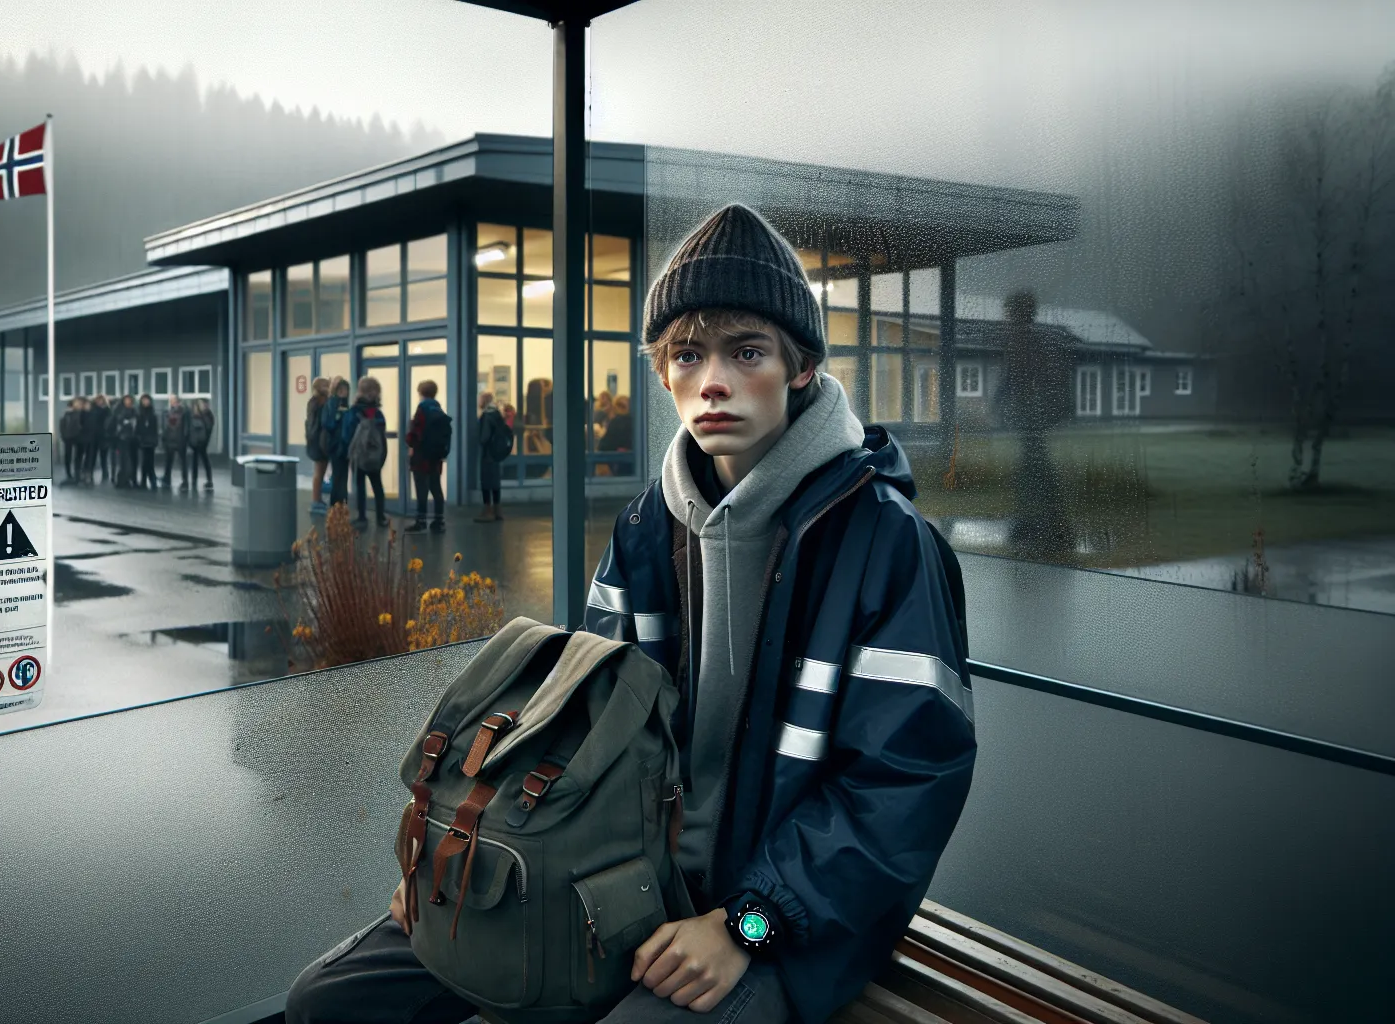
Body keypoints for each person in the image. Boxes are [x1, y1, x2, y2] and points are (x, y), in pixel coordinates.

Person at [286, 205, 976, 1024]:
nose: (712, 380)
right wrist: (454, 862)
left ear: (800, 369)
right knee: (328, 1003)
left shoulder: (887, 544)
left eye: (745, 352)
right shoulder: (649, 526)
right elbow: (578, 725)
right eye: (688, 355)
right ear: (663, 374)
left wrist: (747, 924)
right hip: (614, 881)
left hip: (773, 923)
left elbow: (901, 787)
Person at [339, 375, 388, 529]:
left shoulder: (353, 412)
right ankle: (380, 517)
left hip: (358, 457)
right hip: (375, 457)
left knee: (360, 485)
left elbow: (346, 434)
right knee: (377, 485)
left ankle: (362, 518)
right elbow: (382, 433)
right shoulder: (378, 413)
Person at [402, 380, 449, 534]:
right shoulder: (439, 409)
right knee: (436, 488)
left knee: (421, 489)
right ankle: (439, 521)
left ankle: (421, 521)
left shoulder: (422, 409)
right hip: (436, 456)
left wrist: (409, 442)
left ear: (421, 393)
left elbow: (416, 432)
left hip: (421, 456)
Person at [472, 390, 509, 523]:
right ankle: (498, 510)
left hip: (488, 454)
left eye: (480, 400)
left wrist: (480, 441)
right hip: (497, 453)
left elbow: (484, 437)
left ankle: (487, 511)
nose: (478, 403)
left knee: (486, 481)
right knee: (495, 482)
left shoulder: (487, 416)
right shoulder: (497, 414)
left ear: (484, 401)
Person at [303, 376, 331, 514]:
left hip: (314, 442)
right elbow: (323, 423)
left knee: (319, 473)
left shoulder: (312, 402)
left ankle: (317, 499)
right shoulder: (322, 404)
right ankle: (316, 502)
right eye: (327, 385)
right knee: (319, 473)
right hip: (320, 443)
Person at [324, 377, 351, 506]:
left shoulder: (346, 404)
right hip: (335, 445)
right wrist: (337, 417)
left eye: (345, 390)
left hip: (345, 445)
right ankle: (335, 504)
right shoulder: (331, 403)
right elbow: (327, 424)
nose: (343, 392)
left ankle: (342, 503)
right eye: (341, 390)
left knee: (343, 476)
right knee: (337, 476)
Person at [595, 392, 635, 476]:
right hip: (632, 468)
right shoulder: (637, 422)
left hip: (617, 468)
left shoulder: (616, 422)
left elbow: (603, 446)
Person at [161, 396, 191, 490]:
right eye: (171, 401)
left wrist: (185, 438)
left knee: (182, 462)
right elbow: (164, 426)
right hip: (169, 440)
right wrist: (164, 438)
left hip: (180, 439)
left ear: (178, 402)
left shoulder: (184, 412)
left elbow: (187, 426)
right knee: (168, 461)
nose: (172, 403)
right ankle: (166, 480)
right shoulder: (167, 412)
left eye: (174, 401)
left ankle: (185, 481)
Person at [82, 392, 110, 483]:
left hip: (103, 437)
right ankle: (90, 474)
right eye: (98, 400)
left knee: (103, 457)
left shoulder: (106, 410)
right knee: (92, 456)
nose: (100, 402)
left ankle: (105, 474)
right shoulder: (95, 411)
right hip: (94, 437)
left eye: (101, 400)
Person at [188, 397, 215, 490]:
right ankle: (194, 480)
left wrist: (205, 440)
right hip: (195, 442)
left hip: (203, 442)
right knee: (195, 461)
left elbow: (209, 428)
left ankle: (209, 480)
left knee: (204, 460)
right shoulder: (193, 415)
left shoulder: (207, 415)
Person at [111, 394, 137, 488]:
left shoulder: (134, 411)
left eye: (130, 400)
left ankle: (128, 480)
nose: (128, 402)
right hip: (122, 439)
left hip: (132, 439)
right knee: (124, 461)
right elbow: (117, 423)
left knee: (130, 461)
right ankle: (122, 480)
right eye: (127, 400)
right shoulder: (119, 411)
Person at [135, 393, 160, 488]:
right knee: (145, 461)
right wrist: (139, 438)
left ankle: (151, 480)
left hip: (151, 440)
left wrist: (155, 439)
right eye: (144, 400)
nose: (146, 402)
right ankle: (144, 480)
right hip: (143, 440)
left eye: (147, 400)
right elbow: (138, 428)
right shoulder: (139, 414)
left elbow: (155, 428)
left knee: (150, 461)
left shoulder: (153, 414)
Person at [58, 396, 86, 482]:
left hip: (79, 437)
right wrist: (63, 435)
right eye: (77, 403)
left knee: (79, 455)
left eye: (80, 403)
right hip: (69, 437)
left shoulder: (82, 413)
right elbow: (62, 424)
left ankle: (77, 472)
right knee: (68, 455)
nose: (78, 405)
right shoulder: (67, 414)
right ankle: (68, 473)